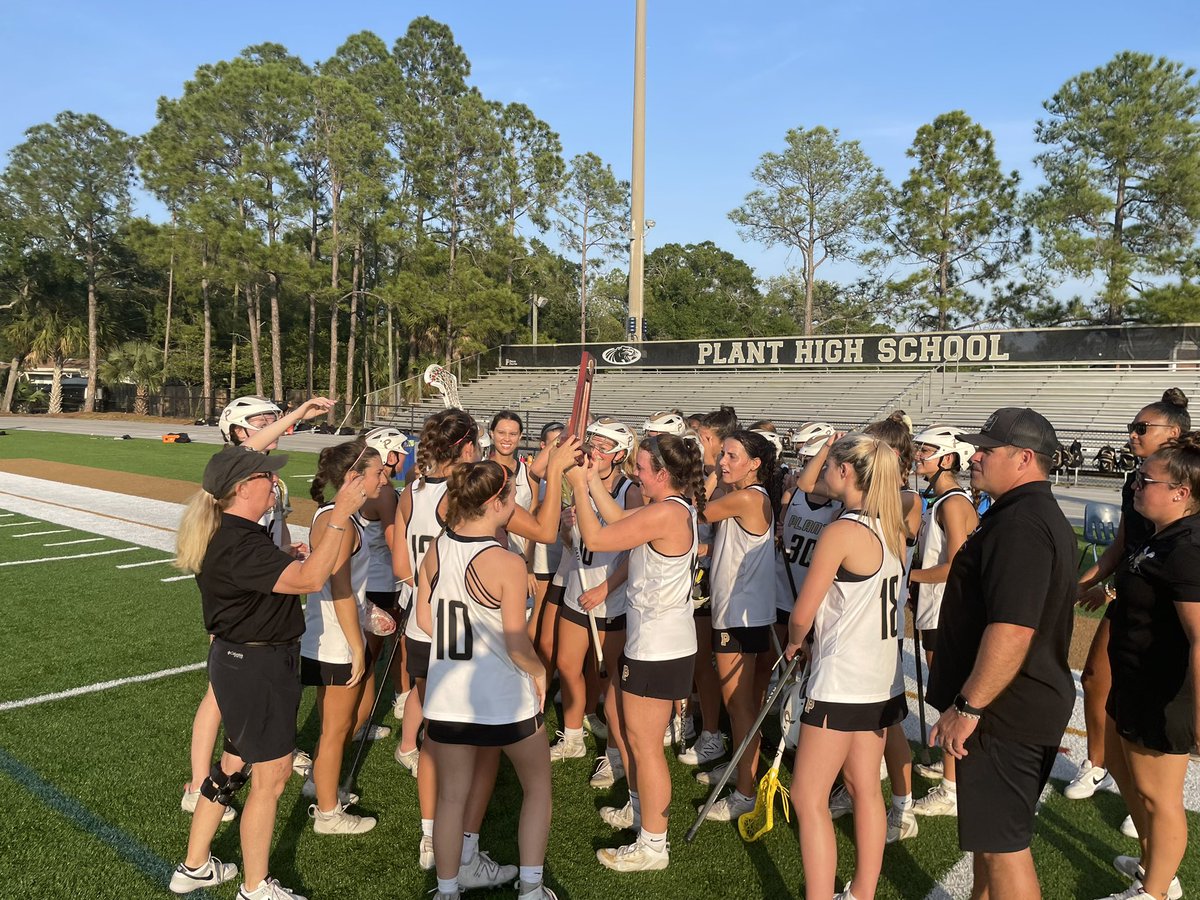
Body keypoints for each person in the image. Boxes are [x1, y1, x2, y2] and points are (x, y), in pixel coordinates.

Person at [169, 445, 366, 899]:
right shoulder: (238, 540)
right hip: (258, 668)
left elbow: (277, 575)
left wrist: (286, 556)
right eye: (265, 477)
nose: (274, 483)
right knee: (271, 777)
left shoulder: (232, 531)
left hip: (242, 663)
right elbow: (311, 580)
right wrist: (342, 515)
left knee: (233, 764)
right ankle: (256, 888)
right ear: (242, 489)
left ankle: (195, 866)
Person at [927, 407, 1078, 900]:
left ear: (1025, 458)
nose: (975, 456)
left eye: (987, 450)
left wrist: (968, 707)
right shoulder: (1021, 514)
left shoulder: (1022, 524)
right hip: (1012, 704)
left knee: (1004, 851)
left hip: (1004, 710)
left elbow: (1012, 630)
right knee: (992, 846)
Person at [182, 395, 335, 820]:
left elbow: (268, 540)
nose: (272, 426)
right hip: (243, 599)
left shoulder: (267, 479)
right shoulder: (236, 468)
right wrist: (298, 414)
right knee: (218, 696)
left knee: (230, 697)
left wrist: (287, 552)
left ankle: (247, 756)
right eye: (261, 422)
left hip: (259, 583)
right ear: (237, 431)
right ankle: (198, 783)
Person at [566, 433, 705, 872]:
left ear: (663, 474)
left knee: (646, 746)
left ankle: (654, 844)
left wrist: (576, 487)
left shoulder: (666, 512)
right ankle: (640, 810)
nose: (634, 474)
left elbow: (598, 535)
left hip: (659, 645)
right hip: (650, 639)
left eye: (641, 468)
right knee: (616, 714)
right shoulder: (667, 506)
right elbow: (614, 515)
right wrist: (590, 481)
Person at [419, 461, 558, 900]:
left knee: (450, 800)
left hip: (447, 697)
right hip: (501, 696)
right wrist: (539, 673)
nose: (516, 499)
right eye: (512, 492)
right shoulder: (505, 561)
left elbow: (426, 619)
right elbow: (518, 644)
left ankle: (446, 890)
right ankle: (532, 890)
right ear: (494, 502)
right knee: (537, 787)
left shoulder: (438, 547)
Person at [784, 434, 908, 900]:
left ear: (846, 473)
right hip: (881, 678)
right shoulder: (891, 526)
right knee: (864, 790)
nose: (825, 474)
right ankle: (862, 893)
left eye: (832, 465)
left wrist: (796, 644)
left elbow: (803, 613)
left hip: (841, 681)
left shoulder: (842, 532)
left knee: (808, 797)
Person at [1071, 390, 1189, 826]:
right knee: (1097, 678)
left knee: (1162, 702)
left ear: (1172, 434)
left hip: (1169, 604)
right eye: (1131, 428)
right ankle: (1098, 763)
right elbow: (1123, 545)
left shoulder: (1188, 485)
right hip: (1132, 593)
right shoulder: (1135, 481)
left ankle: (1155, 799)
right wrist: (1084, 584)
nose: (1132, 435)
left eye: (1142, 428)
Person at [1097, 434, 1200, 900]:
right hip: (1133, 679)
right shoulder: (1162, 537)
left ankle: (1156, 890)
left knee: (1160, 800)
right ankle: (1151, 861)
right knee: (1123, 772)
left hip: (1164, 692)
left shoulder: (1188, 550)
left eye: (1145, 480)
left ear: (1180, 493)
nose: (1135, 484)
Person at [299, 440, 391, 835]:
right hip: (336, 639)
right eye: (377, 473)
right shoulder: (345, 525)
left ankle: (319, 786)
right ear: (354, 478)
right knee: (337, 729)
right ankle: (328, 813)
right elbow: (338, 589)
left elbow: (342, 586)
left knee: (332, 726)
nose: (384, 478)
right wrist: (357, 645)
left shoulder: (326, 515)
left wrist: (369, 613)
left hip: (323, 632)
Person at [697, 430, 782, 821]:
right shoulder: (747, 496)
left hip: (741, 615)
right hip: (736, 612)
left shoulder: (748, 496)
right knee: (740, 704)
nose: (723, 461)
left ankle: (745, 791)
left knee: (740, 705)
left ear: (755, 464)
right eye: (723, 454)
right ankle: (738, 769)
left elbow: (699, 510)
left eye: (732, 456)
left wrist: (711, 473)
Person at [551, 419, 641, 769]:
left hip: (609, 597)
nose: (595, 451)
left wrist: (606, 587)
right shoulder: (580, 483)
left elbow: (636, 555)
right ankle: (573, 736)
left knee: (610, 680)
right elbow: (574, 545)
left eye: (604, 447)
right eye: (594, 443)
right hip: (578, 588)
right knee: (567, 665)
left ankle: (616, 755)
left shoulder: (629, 491)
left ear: (619, 455)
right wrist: (565, 529)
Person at [903, 427, 978, 833]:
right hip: (935, 607)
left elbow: (956, 565)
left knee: (948, 694)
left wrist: (907, 575)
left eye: (928, 451)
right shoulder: (943, 499)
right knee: (943, 691)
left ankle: (951, 787)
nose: (920, 456)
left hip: (946, 611)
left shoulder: (952, 502)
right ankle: (949, 771)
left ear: (948, 458)